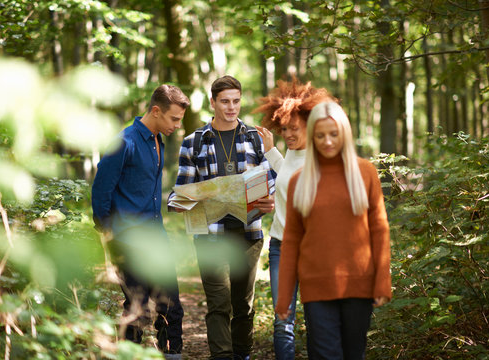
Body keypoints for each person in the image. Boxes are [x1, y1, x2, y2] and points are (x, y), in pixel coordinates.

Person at [168, 75, 276, 360]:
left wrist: (269, 199)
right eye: (225, 101)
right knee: (218, 303)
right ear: (213, 102)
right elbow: (184, 186)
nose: (231, 107)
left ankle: (243, 354)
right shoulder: (193, 142)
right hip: (209, 234)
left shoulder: (255, 137)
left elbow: (271, 179)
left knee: (243, 304)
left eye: (236, 101)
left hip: (248, 231)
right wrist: (178, 202)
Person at [275, 101, 392, 360]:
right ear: (312, 137)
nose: (327, 141)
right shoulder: (299, 181)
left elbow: (380, 229)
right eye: (320, 135)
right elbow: (291, 241)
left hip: (359, 284)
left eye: (334, 134)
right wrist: (284, 297)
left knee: (353, 354)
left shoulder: (365, 172)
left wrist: (382, 281)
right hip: (316, 287)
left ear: (344, 134)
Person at [91, 84, 190, 360]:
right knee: (138, 308)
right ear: (156, 110)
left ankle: (172, 355)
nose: (177, 125)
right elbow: (101, 191)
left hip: (156, 236)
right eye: (174, 118)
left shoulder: (159, 139)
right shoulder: (124, 141)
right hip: (127, 239)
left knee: (171, 305)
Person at [252, 78, 334, 359]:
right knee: (282, 322)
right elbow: (286, 172)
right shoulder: (290, 154)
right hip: (280, 248)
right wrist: (270, 149)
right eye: (284, 129)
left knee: (316, 322)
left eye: (294, 129)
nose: (288, 134)